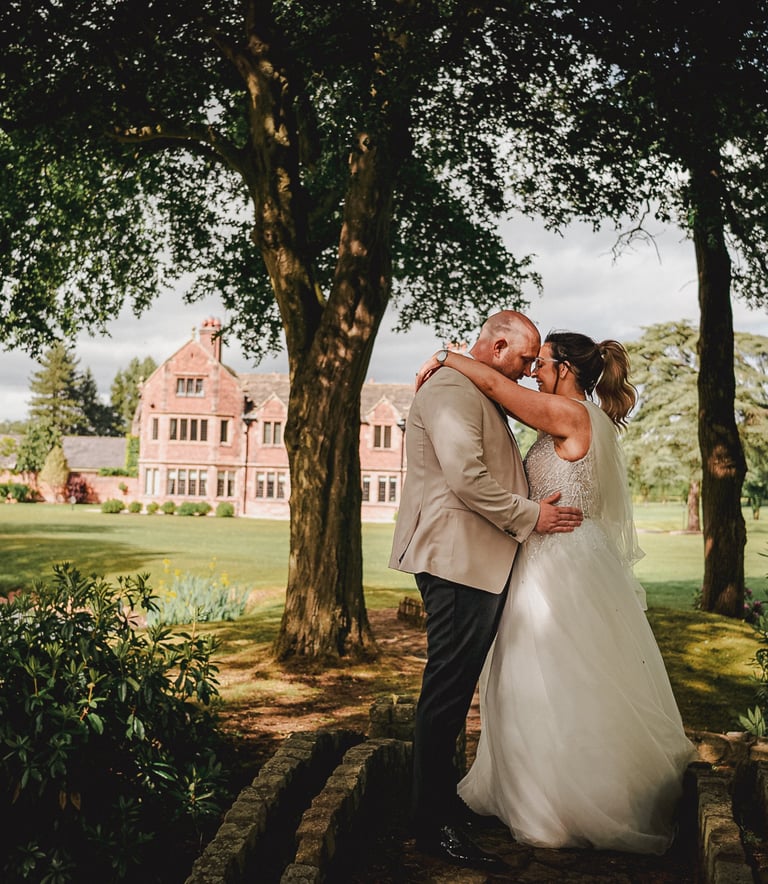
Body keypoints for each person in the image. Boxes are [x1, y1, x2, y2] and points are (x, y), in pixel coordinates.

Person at [414, 331, 697, 855]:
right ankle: (535, 792)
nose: (532, 371)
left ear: (565, 368)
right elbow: (503, 396)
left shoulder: (569, 414)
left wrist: (446, 356)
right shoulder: (565, 415)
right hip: (547, 555)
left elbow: (498, 390)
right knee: (536, 680)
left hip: (561, 565)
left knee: (565, 678)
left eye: (540, 362)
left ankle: (568, 803)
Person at [389, 311, 584, 872]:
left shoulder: (470, 384)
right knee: (446, 692)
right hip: (456, 560)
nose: (525, 371)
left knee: (454, 691)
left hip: (474, 559)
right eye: (523, 359)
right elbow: (466, 477)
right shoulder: (451, 388)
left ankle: (440, 803)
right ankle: (432, 826)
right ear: (498, 346)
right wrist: (532, 516)